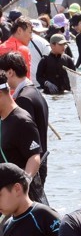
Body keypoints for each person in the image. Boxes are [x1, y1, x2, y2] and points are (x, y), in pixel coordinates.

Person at [0, 76, 42, 204]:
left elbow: (34, 157)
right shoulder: (2, 119)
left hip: (19, 198)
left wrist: (25, 181)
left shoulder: (21, 120)